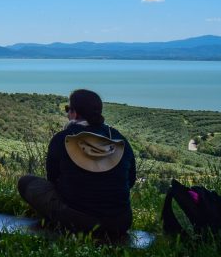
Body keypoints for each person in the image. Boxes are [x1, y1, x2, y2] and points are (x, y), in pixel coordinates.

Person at [18, 89, 136, 239]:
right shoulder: (119, 139)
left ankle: (55, 221)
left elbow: (52, 179)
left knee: (26, 182)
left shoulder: (62, 139)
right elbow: (130, 180)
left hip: (79, 221)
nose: (67, 113)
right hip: (120, 222)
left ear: (75, 113)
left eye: (68, 109)